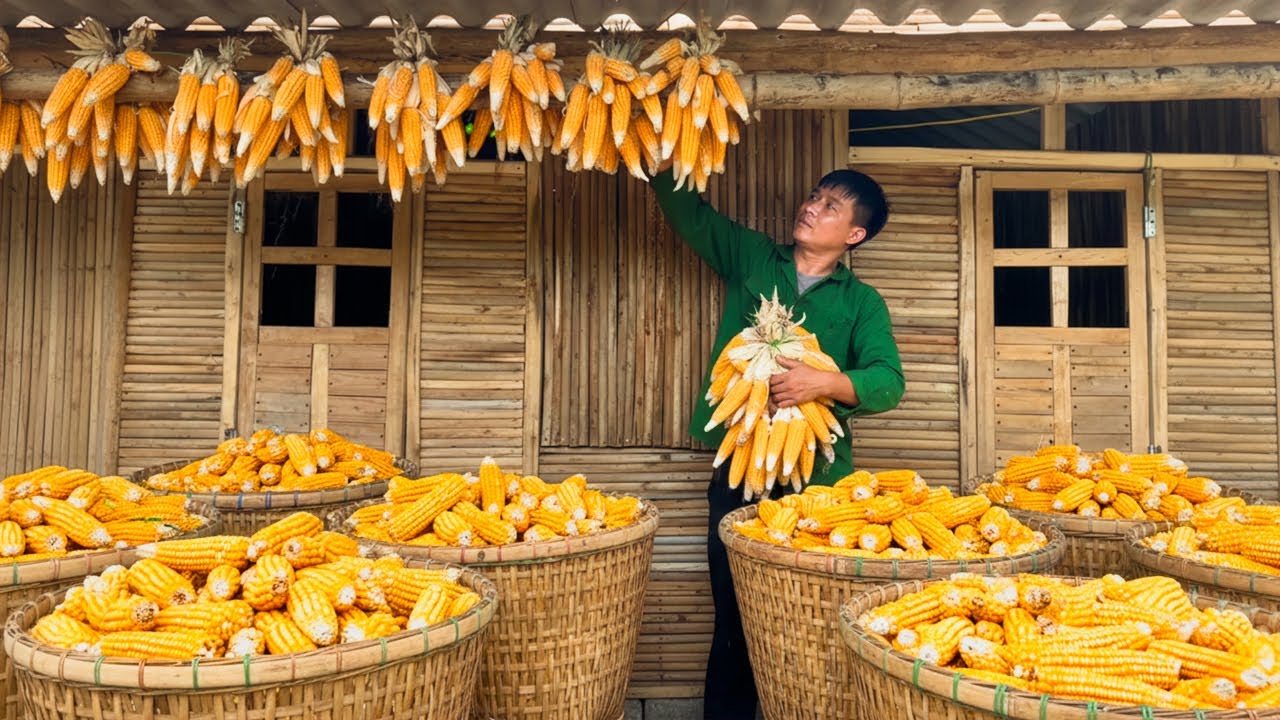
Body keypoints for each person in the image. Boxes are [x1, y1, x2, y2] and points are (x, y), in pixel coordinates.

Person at [649, 167, 905, 719]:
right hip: (741, 473)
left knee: (812, 616)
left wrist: (827, 383)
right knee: (736, 616)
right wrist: (661, 151)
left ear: (853, 236)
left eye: (831, 205)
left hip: (818, 488)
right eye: (814, 195)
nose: (812, 206)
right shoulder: (754, 259)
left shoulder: (862, 303)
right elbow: (689, 214)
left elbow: (888, 381)